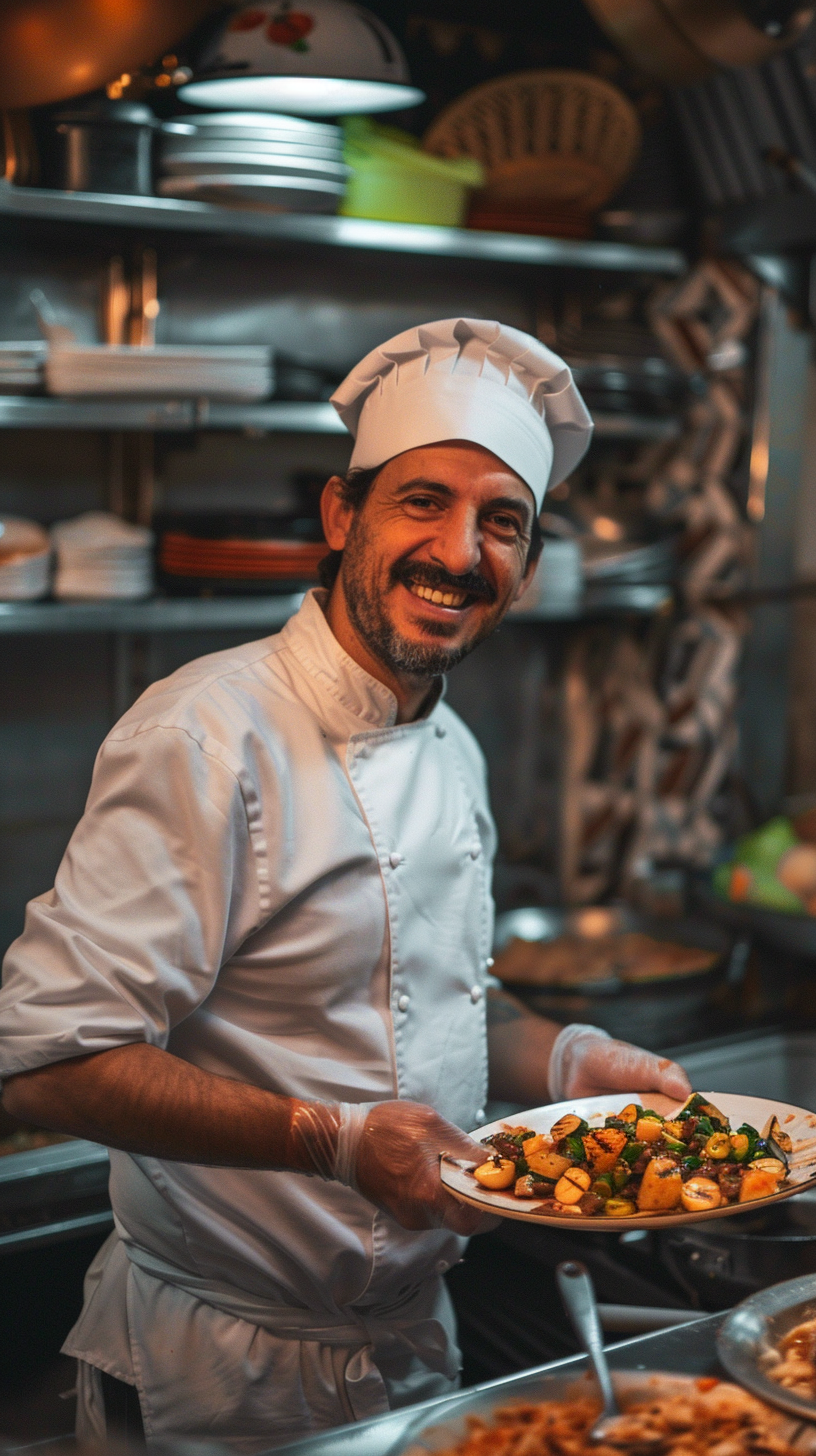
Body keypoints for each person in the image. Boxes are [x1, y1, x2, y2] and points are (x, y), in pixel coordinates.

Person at [0, 318, 690, 1453]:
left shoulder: (450, 744)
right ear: (340, 515)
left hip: (417, 1353)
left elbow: (443, 1001)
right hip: (221, 1378)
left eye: (501, 521)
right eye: (423, 501)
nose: (460, 552)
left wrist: (569, 1059)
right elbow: (48, 1061)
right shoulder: (208, 735)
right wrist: (331, 1139)